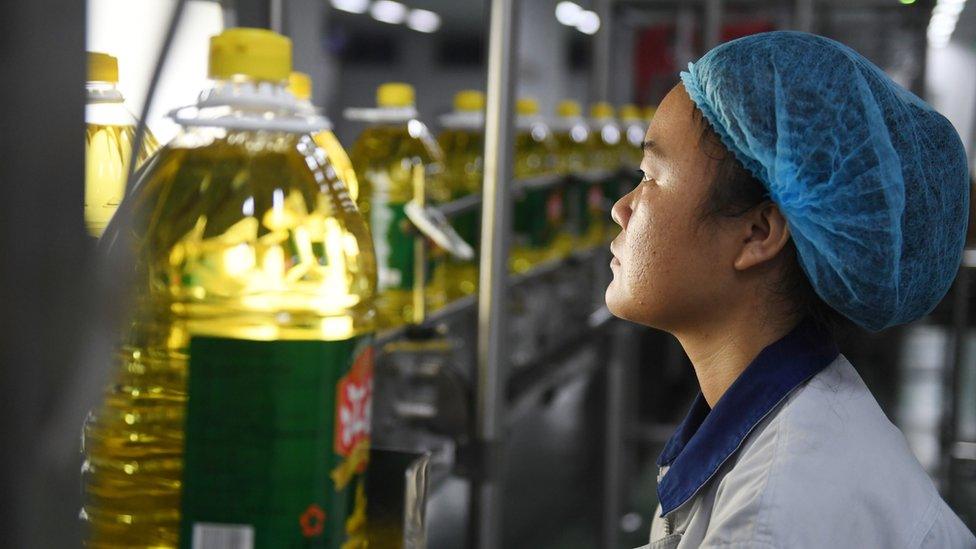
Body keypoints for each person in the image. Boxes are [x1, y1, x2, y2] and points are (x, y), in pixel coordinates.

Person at [606, 31, 976, 548]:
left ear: (758, 234)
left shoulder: (775, 520)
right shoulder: (788, 417)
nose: (621, 208)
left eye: (651, 176)